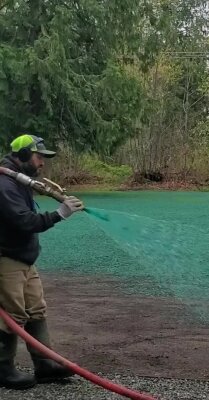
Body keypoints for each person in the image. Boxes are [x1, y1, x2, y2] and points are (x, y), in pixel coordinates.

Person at [0, 134, 84, 389]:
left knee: (36, 310)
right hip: (7, 258)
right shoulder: (4, 185)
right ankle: (2, 369)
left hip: (25, 258)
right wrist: (59, 214)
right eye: (38, 157)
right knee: (10, 316)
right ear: (23, 155)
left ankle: (45, 364)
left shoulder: (19, 180)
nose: (42, 163)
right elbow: (24, 221)